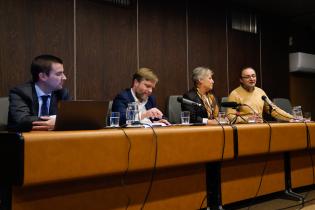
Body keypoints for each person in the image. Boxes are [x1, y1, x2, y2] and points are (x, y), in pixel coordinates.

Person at [7, 54, 70, 131]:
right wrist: (56, 121)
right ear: (43, 76)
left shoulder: (62, 93)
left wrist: (56, 122)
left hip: (54, 139)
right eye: (59, 74)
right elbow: (22, 120)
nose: (64, 77)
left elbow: (71, 118)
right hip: (25, 139)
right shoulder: (20, 92)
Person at [226, 67, 294, 123]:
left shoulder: (260, 92)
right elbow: (230, 116)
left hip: (260, 127)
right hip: (244, 129)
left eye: (253, 76)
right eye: (247, 77)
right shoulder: (234, 94)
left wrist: (292, 118)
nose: (251, 79)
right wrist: (247, 119)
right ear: (241, 80)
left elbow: (273, 110)